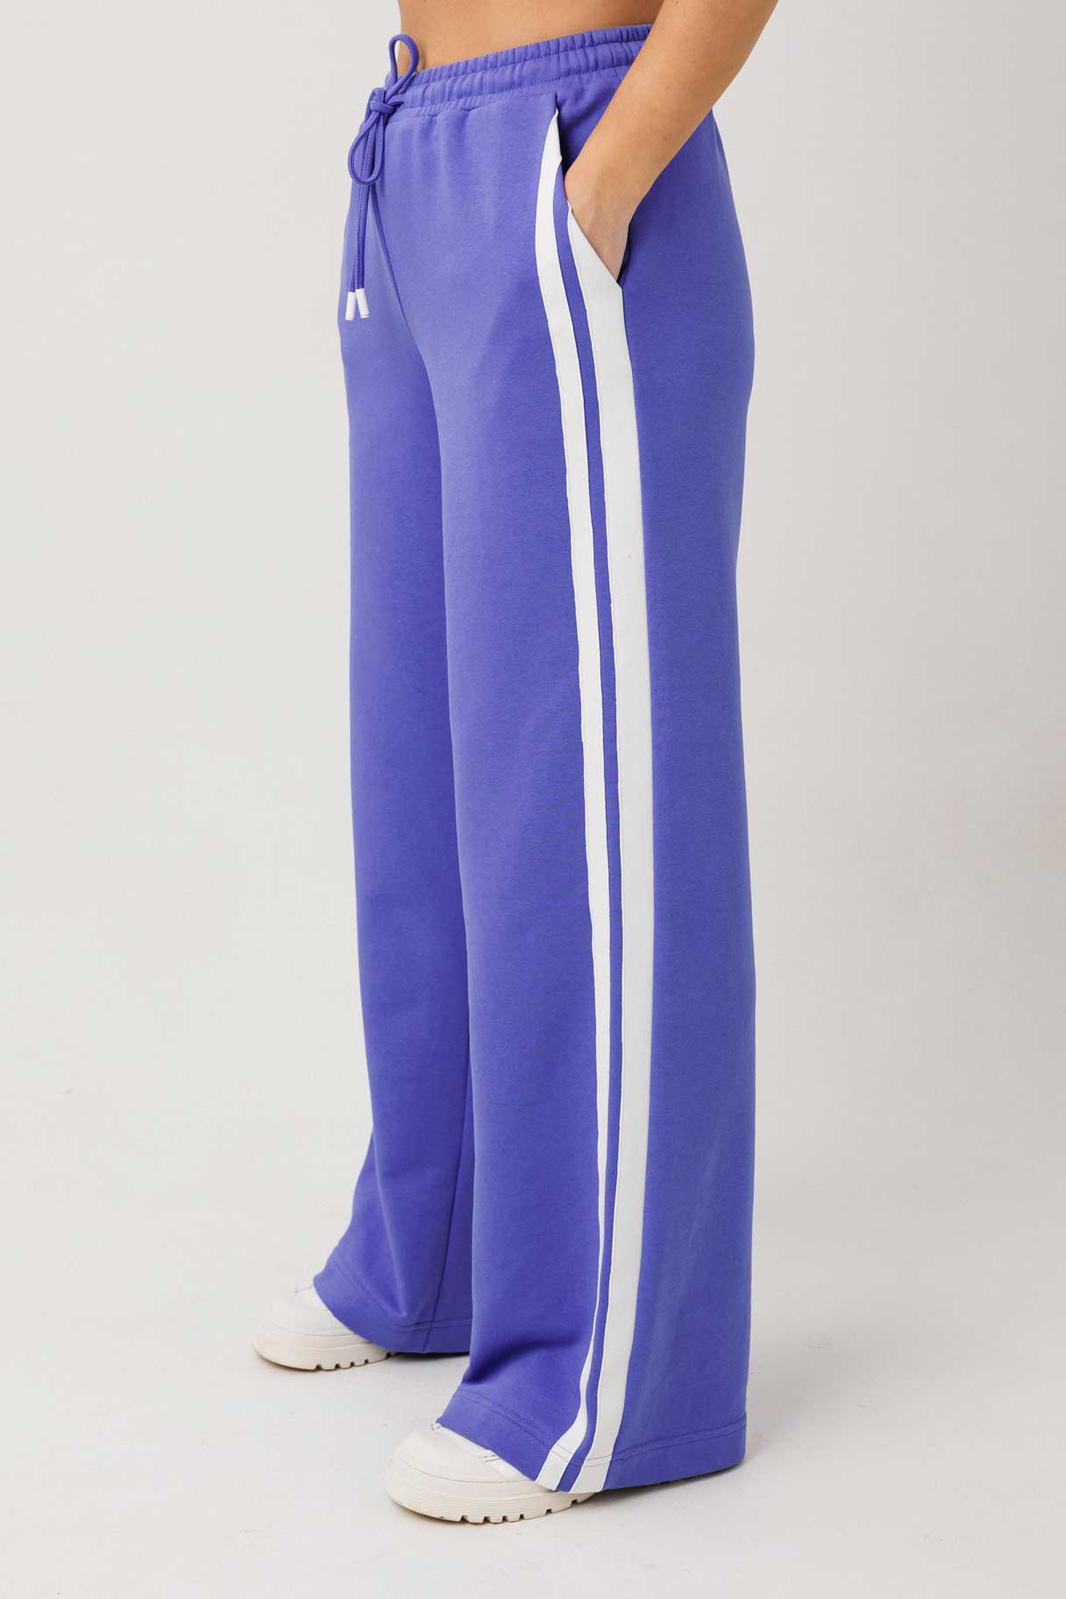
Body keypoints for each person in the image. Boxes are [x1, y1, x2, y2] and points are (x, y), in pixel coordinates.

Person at [255, 0, 779, 1523]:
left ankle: (602, 1375)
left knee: (579, 801)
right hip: (417, 158)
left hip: (577, 145)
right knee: (423, 781)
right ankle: (440, 1246)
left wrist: (602, 181)